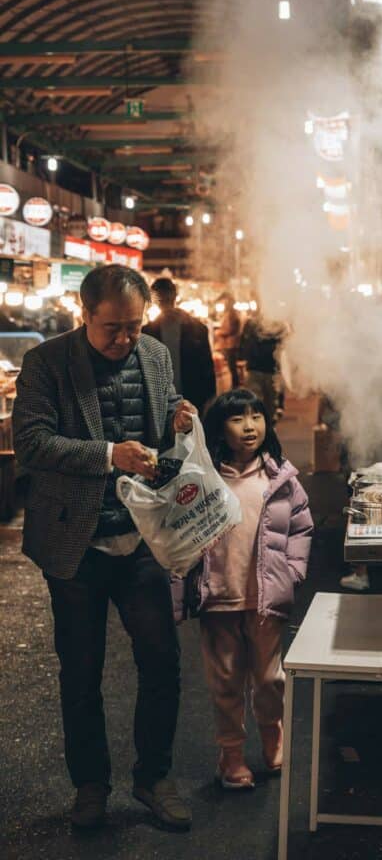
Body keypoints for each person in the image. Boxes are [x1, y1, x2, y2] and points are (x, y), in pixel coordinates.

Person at [12, 265, 197, 831]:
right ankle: (90, 787)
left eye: (133, 327)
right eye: (111, 328)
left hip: (143, 537)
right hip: (75, 544)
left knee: (162, 663)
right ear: (83, 314)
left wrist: (178, 418)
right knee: (80, 671)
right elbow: (32, 442)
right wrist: (108, 453)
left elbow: (164, 418)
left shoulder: (156, 354)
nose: (123, 339)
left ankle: (154, 777)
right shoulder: (46, 363)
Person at [198, 389, 313, 789]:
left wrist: (293, 571)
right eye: (237, 419)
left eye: (256, 416)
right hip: (217, 596)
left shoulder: (280, 477)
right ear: (218, 427)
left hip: (266, 599)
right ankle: (231, 754)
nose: (249, 427)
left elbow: (301, 526)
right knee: (226, 681)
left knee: (269, 678)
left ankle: (272, 734)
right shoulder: (203, 477)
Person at [143, 277, 216, 415]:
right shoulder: (148, 332)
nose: (164, 301)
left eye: (165, 296)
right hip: (162, 399)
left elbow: (207, 368)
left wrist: (210, 398)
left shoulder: (197, 328)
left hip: (190, 396)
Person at [238, 312, 286, 423]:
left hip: (269, 368)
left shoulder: (277, 323)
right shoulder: (252, 322)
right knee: (256, 400)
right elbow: (245, 340)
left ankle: (268, 426)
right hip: (258, 367)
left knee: (269, 401)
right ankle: (261, 424)